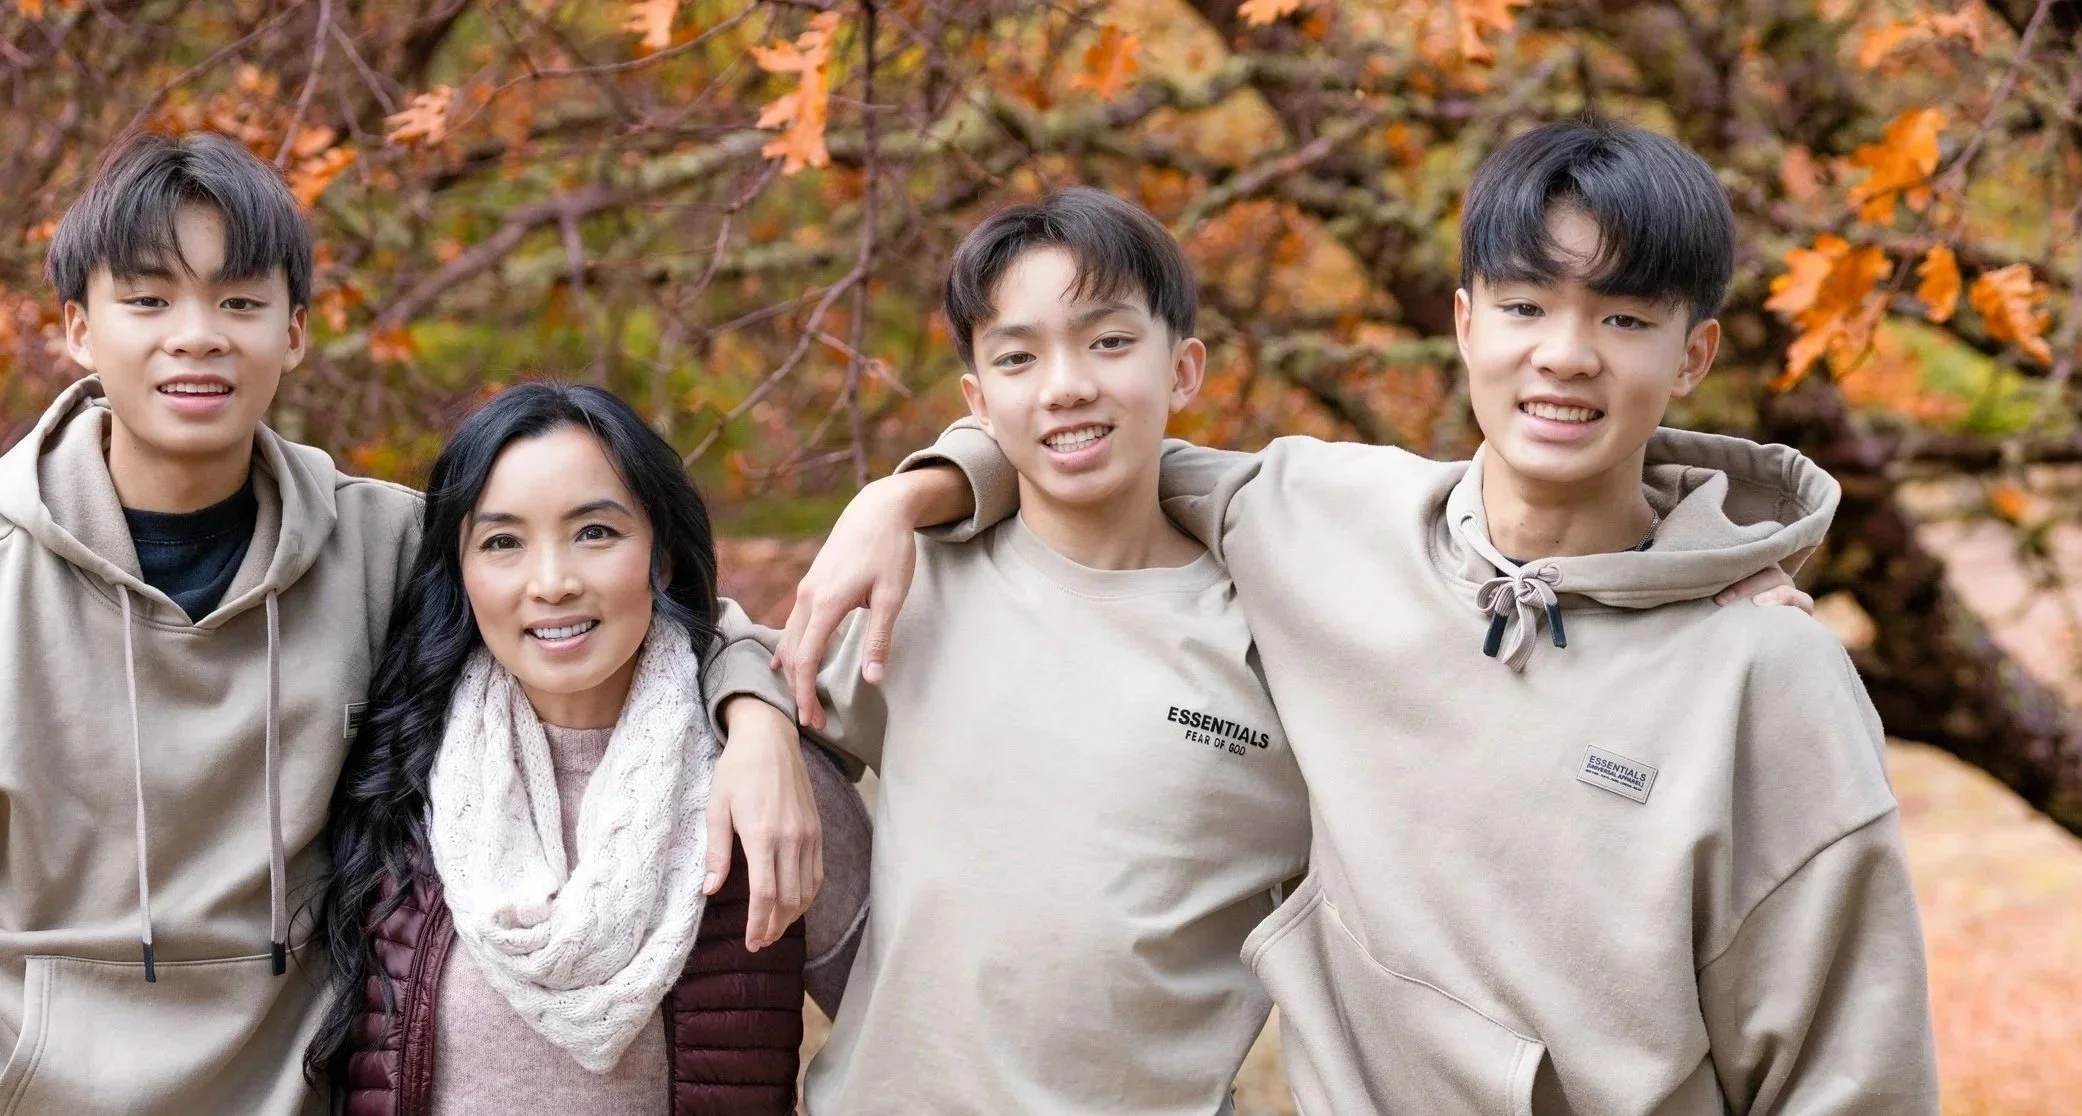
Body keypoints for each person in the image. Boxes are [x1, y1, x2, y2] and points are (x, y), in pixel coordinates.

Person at [780, 118, 1938, 1113]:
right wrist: (908, 493)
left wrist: (1714, 595)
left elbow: (1852, 1067)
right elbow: (1094, 443)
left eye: (1624, 320)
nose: (1565, 356)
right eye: (1526, 305)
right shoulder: (1324, 522)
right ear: (1465, 323)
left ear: (1693, 357)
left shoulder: (1767, 674)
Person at [0, 132, 824, 1116]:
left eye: (239, 299)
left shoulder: (380, 550)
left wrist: (754, 708)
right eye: (147, 299)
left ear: (295, 329)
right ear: (76, 327)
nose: (197, 336)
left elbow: (608, 600)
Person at [701, 187, 1317, 1115]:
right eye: (1020, 356)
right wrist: (756, 728)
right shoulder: (916, 586)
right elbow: (724, 651)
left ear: (1184, 369)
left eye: (1109, 342)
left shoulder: (1276, 638)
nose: (1067, 384)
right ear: (978, 401)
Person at [303, 381, 870, 1115]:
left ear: (660, 556)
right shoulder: (399, 773)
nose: (553, 583)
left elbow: (911, 1029)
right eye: (503, 542)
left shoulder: (763, 780)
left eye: (596, 532)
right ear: (462, 573)